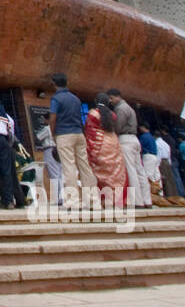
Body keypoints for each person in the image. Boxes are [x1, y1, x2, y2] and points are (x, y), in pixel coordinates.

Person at [48, 73, 96, 206]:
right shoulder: (75, 98)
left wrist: (53, 134)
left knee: (68, 166)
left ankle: (73, 201)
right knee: (84, 166)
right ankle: (92, 200)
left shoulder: (56, 99)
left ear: (54, 83)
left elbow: (53, 119)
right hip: (79, 134)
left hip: (64, 134)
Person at [84, 93, 127, 208]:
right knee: (115, 172)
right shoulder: (112, 114)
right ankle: (116, 200)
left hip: (100, 143)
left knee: (99, 172)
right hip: (113, 143)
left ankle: (103, 199)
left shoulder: (93, 113)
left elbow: (90, 130)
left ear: (95, 101)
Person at [108, 89, 149, 208]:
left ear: (117, 97)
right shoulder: (129, 107)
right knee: (140, 170)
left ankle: (137, 201)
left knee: (130, 171)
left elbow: (118, 126)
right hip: (134, 139)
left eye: (111, 98)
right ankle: (147, 200)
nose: (110, 101)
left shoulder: (120, 109)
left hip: (125, 139)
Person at [32, 113, 62, 206]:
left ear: (48, 119)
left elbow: (38, 137)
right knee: (60, 173)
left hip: (50, 150)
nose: (44, 121)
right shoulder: (59, 127)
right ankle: (62, 197)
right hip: (59, 150)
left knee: (54, 174)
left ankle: (59, 199)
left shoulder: (47, 128)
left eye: (45, 119)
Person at [155, 129, 185, 200]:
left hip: (162, 161)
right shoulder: (165, 144)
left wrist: (158, 164)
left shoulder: (157, 143)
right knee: (170, 179)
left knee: (164, 179)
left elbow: (158, 154)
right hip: (167, 162)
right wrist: (169, 162)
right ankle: (173, 194)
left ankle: (168, 196)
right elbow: (169, 154)